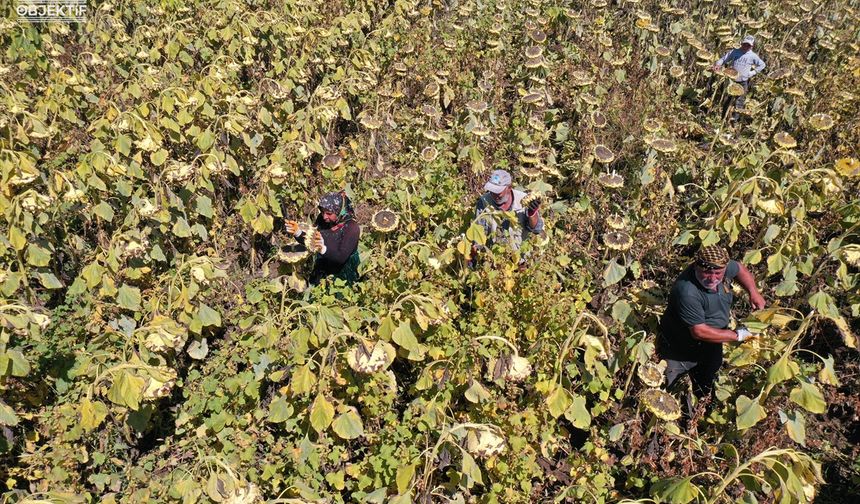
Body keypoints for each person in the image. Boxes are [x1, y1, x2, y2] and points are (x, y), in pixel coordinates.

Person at [658, 245, 766, 403]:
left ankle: (698, 414)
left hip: (711, 345)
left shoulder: (721, 266)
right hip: (679, 349)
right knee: (667, 393)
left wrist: (753, 292)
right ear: (696, 266)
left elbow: (739, 269)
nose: (713, 278)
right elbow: (699, 331)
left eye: (718, 273)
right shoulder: (687, 292)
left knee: (704, 387)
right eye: (706, 272)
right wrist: (738, 335)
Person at [286, 191, 360, 285]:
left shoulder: (351, 227)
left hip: (343, 275)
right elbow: (312, 241)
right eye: (323, 212)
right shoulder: (322, 220)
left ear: (339, 211)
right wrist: (297, 233)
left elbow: (340, 258)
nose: (325, 217)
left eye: (329, 213)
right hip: (322, 269)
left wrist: (323, 248)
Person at [473, 169, 544, 257]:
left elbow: (537, 229)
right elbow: (478, 234)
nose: (494, 195)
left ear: (509, 188)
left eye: (498, 192)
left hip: (519, 258)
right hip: (493, 257)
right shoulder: (484, 202)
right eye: (492, 191)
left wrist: (532, 213)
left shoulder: (524, 200)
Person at [713, 35, 766, 120]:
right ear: (742, 43)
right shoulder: (735, 52)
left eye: (748, 45)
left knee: (739, 101)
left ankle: (734, 122)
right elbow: (724, 59)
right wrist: (718, 64)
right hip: (731, 81)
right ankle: (723, 119)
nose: (746, 46)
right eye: (745, 44)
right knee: (727, 100)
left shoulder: (753, 56)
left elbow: (762, 65)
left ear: (751, 46)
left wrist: (752, 72)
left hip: (743, 82)